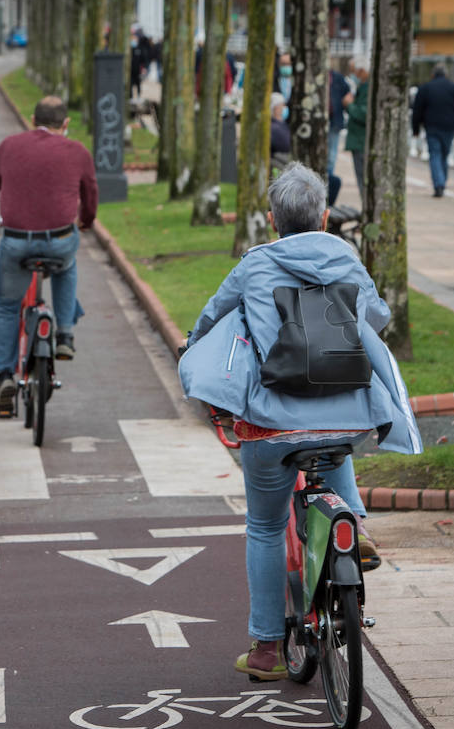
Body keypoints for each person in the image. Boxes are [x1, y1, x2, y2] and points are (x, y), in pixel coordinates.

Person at [180, 162, 421, 679]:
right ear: (326, 217)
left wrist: (193, 344)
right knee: (335, 441)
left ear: (273, 219)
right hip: (348, 416)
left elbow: (212, 316)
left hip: (273, 425)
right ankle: (353, 525)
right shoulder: (346, 257)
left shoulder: (254, 264)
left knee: (265, 527)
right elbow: (376, 317)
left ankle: (267, 649)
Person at [0, 96, 98, 414]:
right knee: (67, 263)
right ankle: (65, 335)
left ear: (32, 119)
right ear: (66, 124)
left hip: (16, 241)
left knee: (4, 305)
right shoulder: (78, 151)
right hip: (59, 239)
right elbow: (91, 193)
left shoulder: (9, 145)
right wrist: (84, 222)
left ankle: (3, 373)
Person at [411, 63, 454, 197]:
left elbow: (417, 110)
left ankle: (439, 183)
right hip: (449, 127)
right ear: (446, 74)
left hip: (432, 126)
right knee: (444, 154)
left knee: (435, 154)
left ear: (432, 75)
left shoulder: (425, 88)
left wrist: (415, 129)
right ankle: (442, 181)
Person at [344, 64, 371, 201]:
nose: (353, 75)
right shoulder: (362, 88)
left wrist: (349, 105)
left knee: (363, 178)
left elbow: (363, 114)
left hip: (361, 141)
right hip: (358, 140)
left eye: (355, 71)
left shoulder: (367, 89)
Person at [327, 59, 354, 180]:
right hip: (319, 121)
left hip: (334, 120)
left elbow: (348, 95)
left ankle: (329, 178)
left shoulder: (337, 77)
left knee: (332, 155)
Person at [269, 92, 291, 160]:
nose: (284, 108)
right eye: (282, 105)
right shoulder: (274, 128)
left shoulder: (282, 124)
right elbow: (287, 146)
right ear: (276, 108)